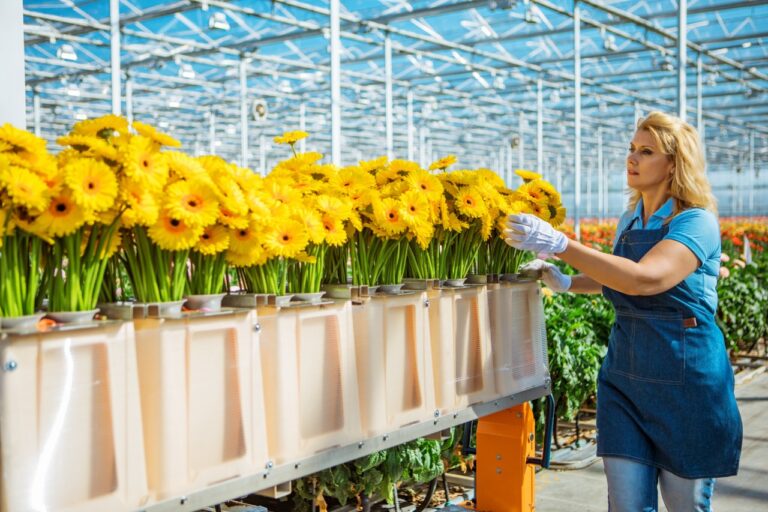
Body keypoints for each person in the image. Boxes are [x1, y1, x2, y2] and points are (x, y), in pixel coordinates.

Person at [504, 111, 742, 512]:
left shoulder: (696, 223)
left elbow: (645, 279)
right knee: (626, 506)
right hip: (626, 382)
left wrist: (560, 243)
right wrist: (565, 281)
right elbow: (616, 276)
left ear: (674, 163)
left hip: (687, 384)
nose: (632, 158)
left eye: (646, 151)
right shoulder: (631, 221)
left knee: (686, 507)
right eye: (632, 149)